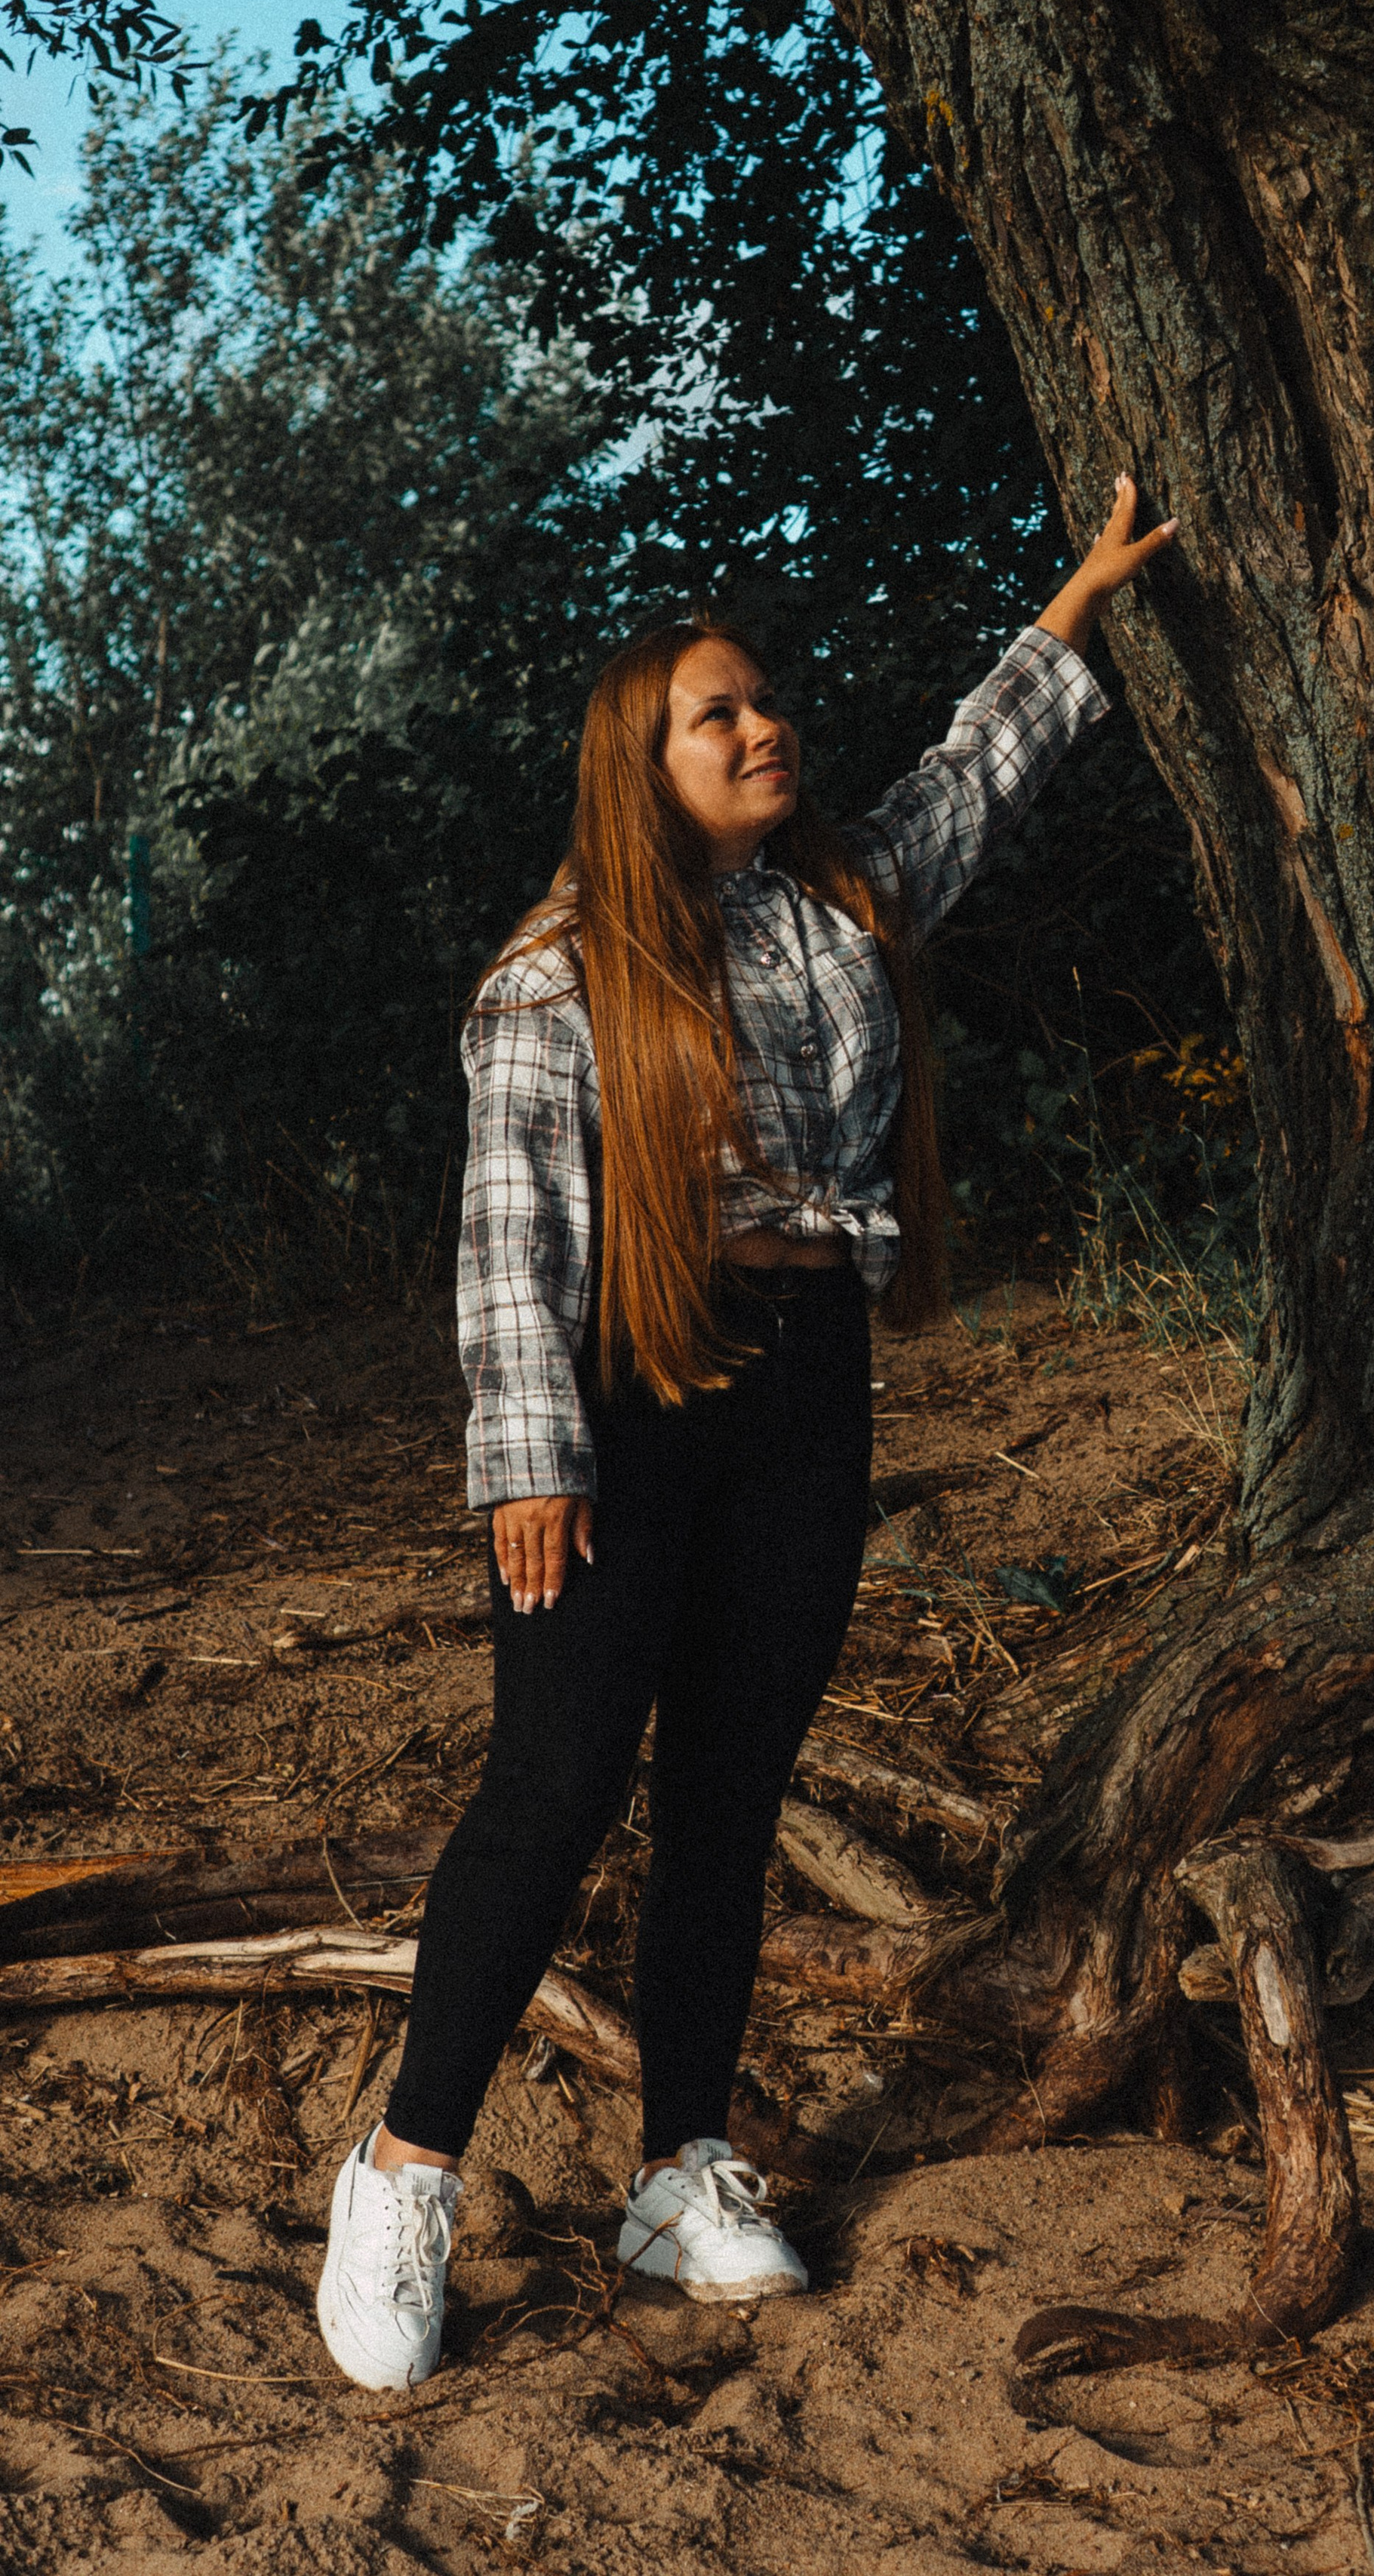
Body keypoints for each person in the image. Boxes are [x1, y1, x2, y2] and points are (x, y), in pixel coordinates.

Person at [315, 474, 1178, 2390]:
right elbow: (509, 1234)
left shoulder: (840, 909)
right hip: (624, 1402)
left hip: (804, 1392)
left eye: (765, 700)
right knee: (549, 1788)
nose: (763, 725)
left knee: (727, 1787)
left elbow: (972, 775)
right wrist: (528, 1456)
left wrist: (1079, 604)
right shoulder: (553, 977)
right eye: (718, 712)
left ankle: (679, 2164)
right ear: (646, 760)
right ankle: (402, 2167)